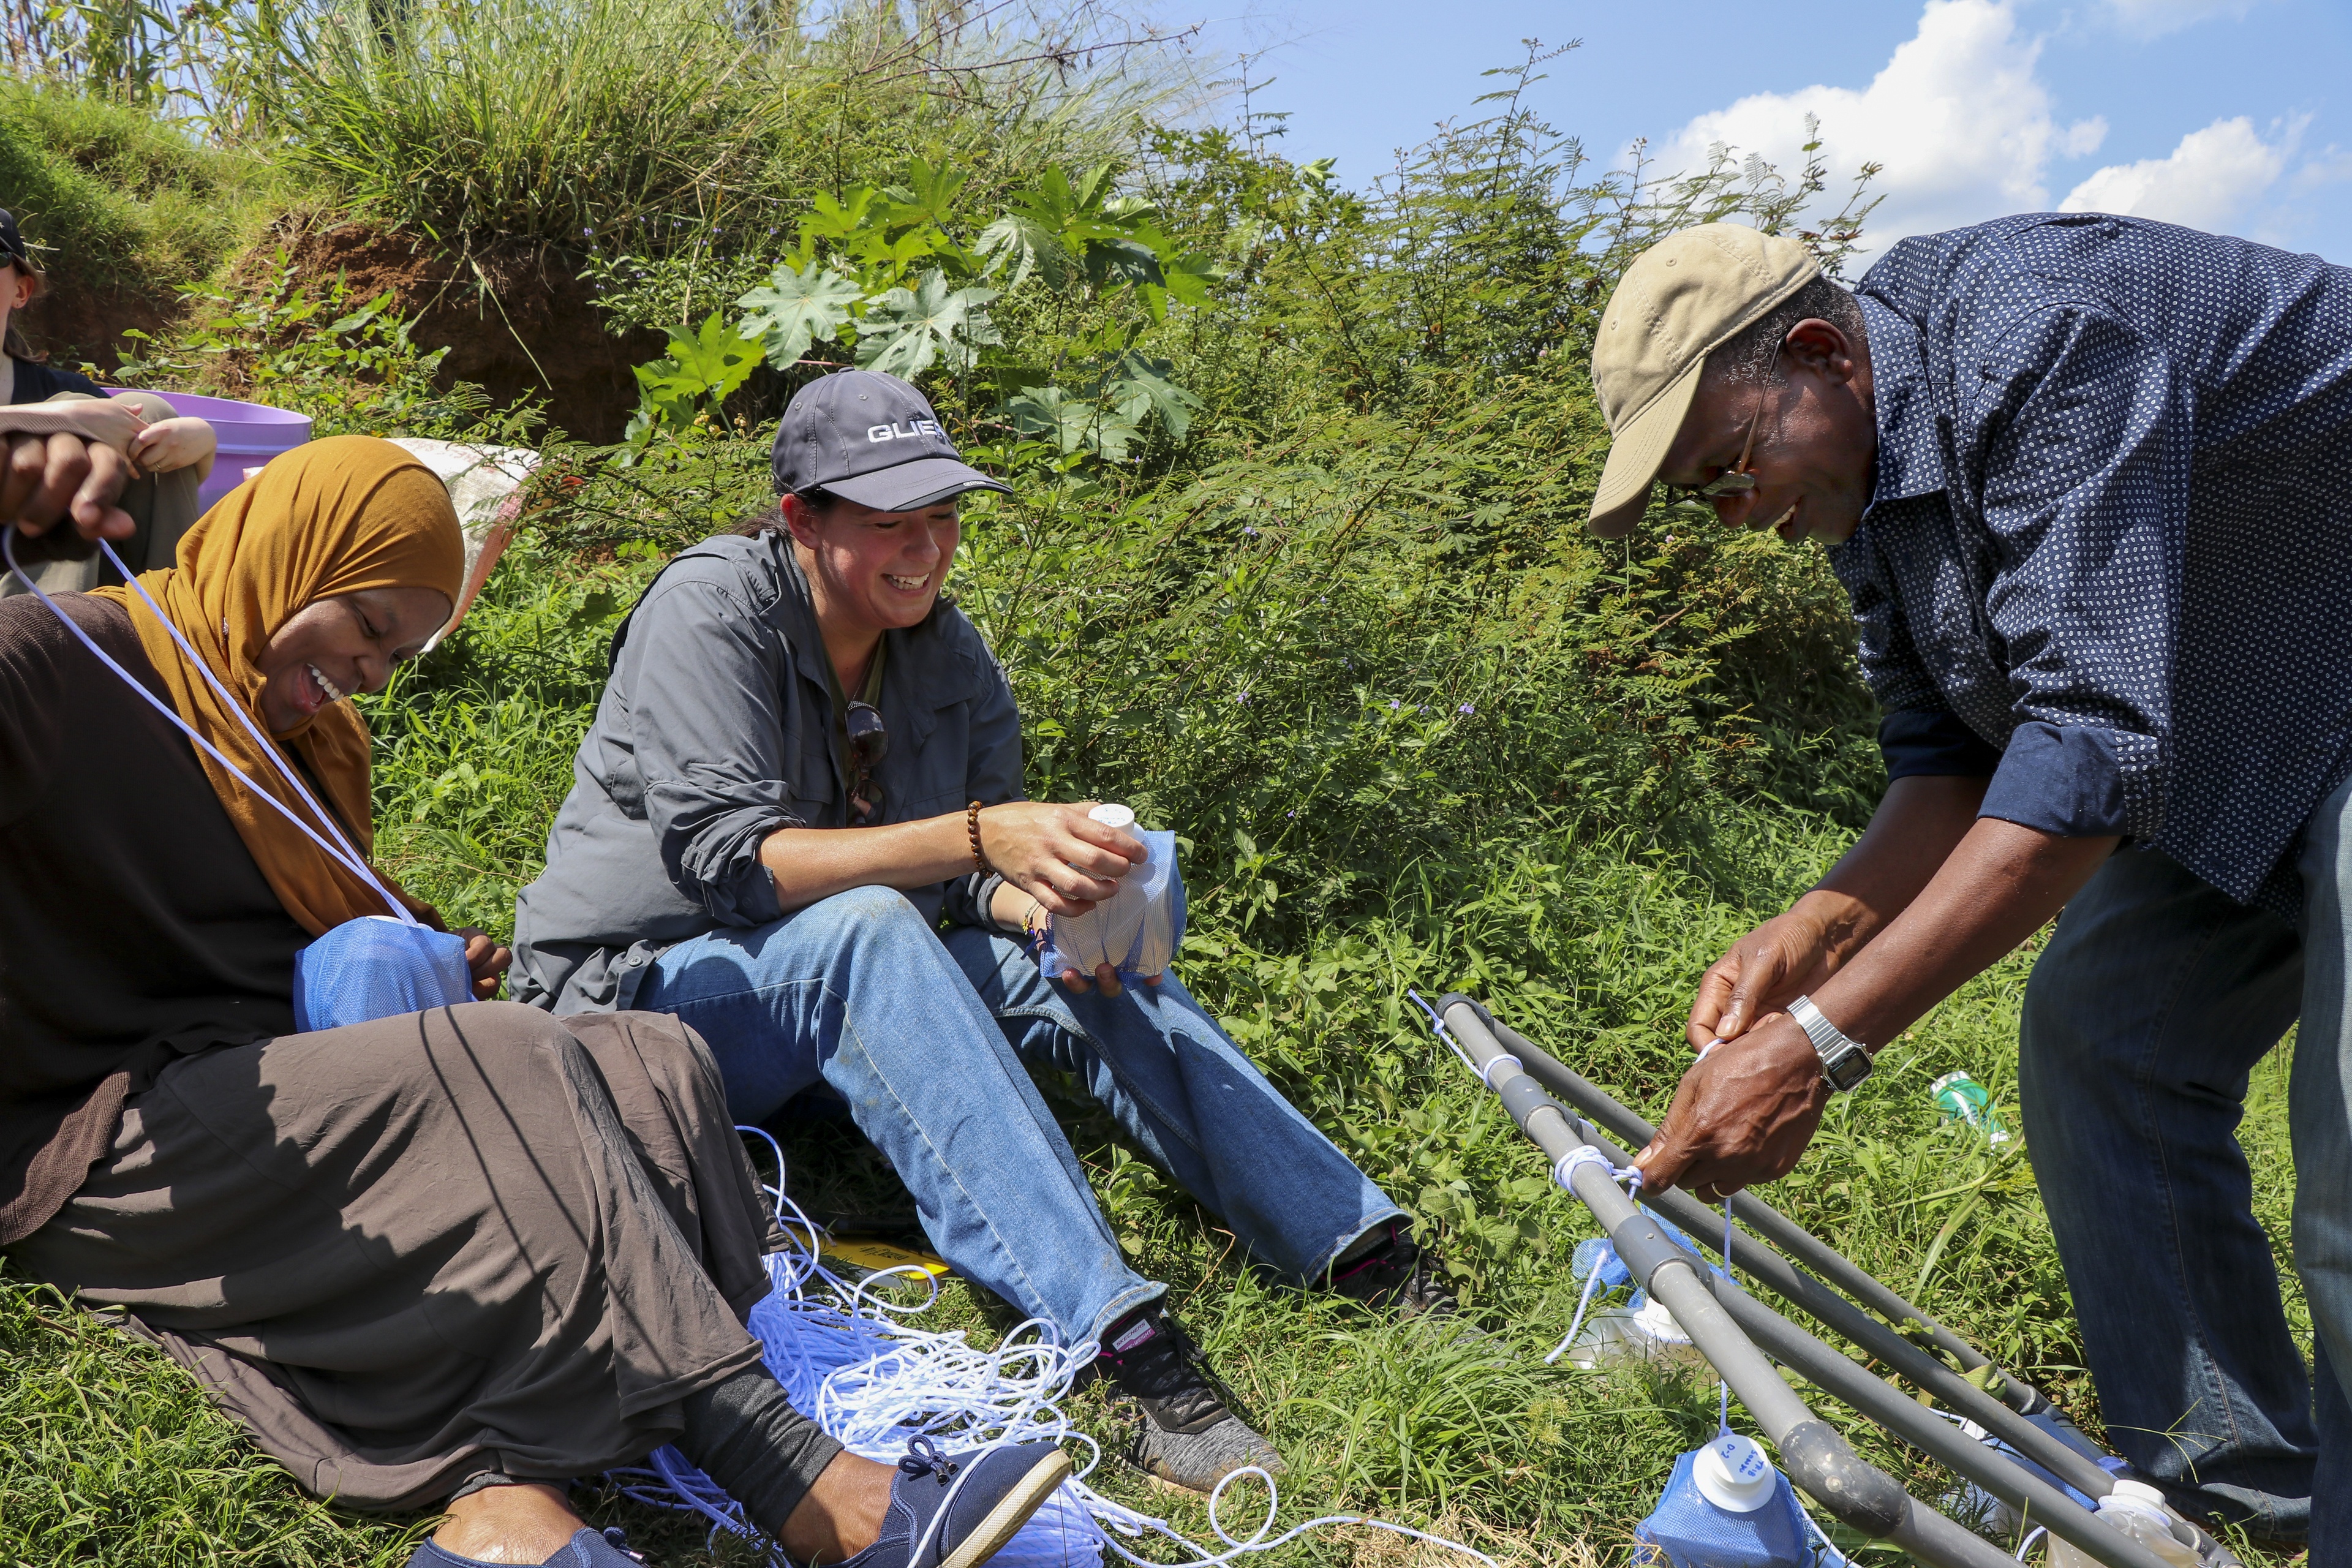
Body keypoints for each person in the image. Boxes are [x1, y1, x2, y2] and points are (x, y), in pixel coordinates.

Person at [0, 433, 1069, 1568]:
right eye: (366, 627)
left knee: (637, 1062)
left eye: (399, 651)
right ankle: (811, 1492)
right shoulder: (55, 660)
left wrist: (424, 941)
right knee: (509, 1067)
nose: (372, 672)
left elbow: (284, 918)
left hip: (246, 1076)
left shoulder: (296, 738)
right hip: (102, 1132)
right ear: (285, 559)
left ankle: (509, 1514)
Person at [510, 369, 1455, 1493]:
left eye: (944, 515)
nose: (926, 548)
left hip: (835, 996)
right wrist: (979, 837)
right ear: (801, 519)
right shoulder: (711, 610)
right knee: (863, 932)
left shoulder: (946, 657)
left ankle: (1354, 1244)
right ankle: (1120, 1344)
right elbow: (735, 867)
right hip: (635, 1010)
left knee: (1070, 966)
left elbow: (962, 887)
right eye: (889, 523)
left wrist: (1054, 907)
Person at [1579, 216, 2352, 1550]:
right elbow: (1947, 758)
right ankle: (2239, 1492)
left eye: (1731, 466)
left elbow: (2094, 750)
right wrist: (1817, 924)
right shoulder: (1870, 482)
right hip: (2255, 731)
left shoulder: (2041, 336)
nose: (1739, 515)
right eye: (1708, 499)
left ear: (1819, 353)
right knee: (2099, 1037)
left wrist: (1817, 1044)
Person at [0, 206, 219, 598]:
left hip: (92, 599)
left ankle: (177, 630)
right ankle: (43, 638)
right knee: (69, 437)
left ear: (21, 290)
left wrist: (201, 440)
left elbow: (147, 481)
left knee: (148, 412)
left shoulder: (66, 392)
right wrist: (49, 420)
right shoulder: (68, 405)